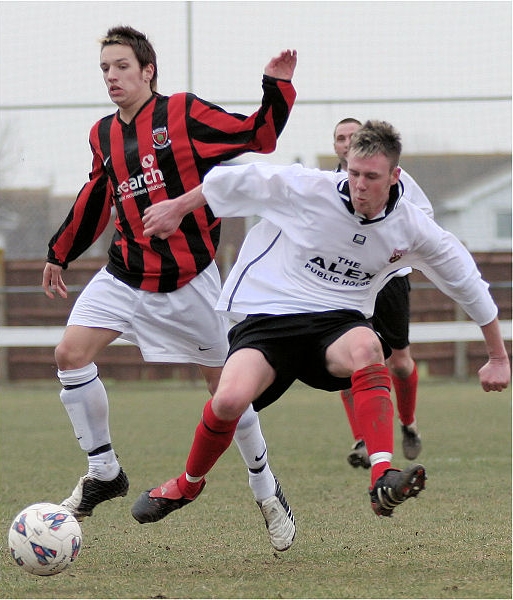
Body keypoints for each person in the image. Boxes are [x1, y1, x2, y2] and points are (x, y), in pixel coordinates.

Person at [131, 120, 510, 536]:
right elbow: (240, 180)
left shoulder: (412, 225)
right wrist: (177, 207)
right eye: (353, 173)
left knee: (370, 347)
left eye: (372, 176)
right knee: (228, 401)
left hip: (336, 323)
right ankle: (187, 485)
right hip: (270, 317)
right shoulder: (309, 189)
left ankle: (382, 474)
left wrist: (497, 356)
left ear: (394, 176)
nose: (360, 185)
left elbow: (466, 281)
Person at [41, 25, 297, 551]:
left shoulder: (183, 113)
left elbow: (259, 135)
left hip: (189, 284)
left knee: (227, 394)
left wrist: (275, 86)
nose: (112, 77)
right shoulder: (102, 134)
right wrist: (59, 253)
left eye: (121, 67)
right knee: (69, 353)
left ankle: (266, 490)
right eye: (105, 69)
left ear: (147, 70)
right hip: (124, 274)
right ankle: (104, 471)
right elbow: (97, 196)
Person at [333, 117, 433, 468]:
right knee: (346, 360)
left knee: (400, 364)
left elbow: (425, 217)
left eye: (352, 136)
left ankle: (407, 423)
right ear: (335, 147)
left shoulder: (396, 177)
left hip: (389, 280)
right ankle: (362, 437)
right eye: (340, 138)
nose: (346, 143)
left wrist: (391, 250)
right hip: (346, 282)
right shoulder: (328, 185)